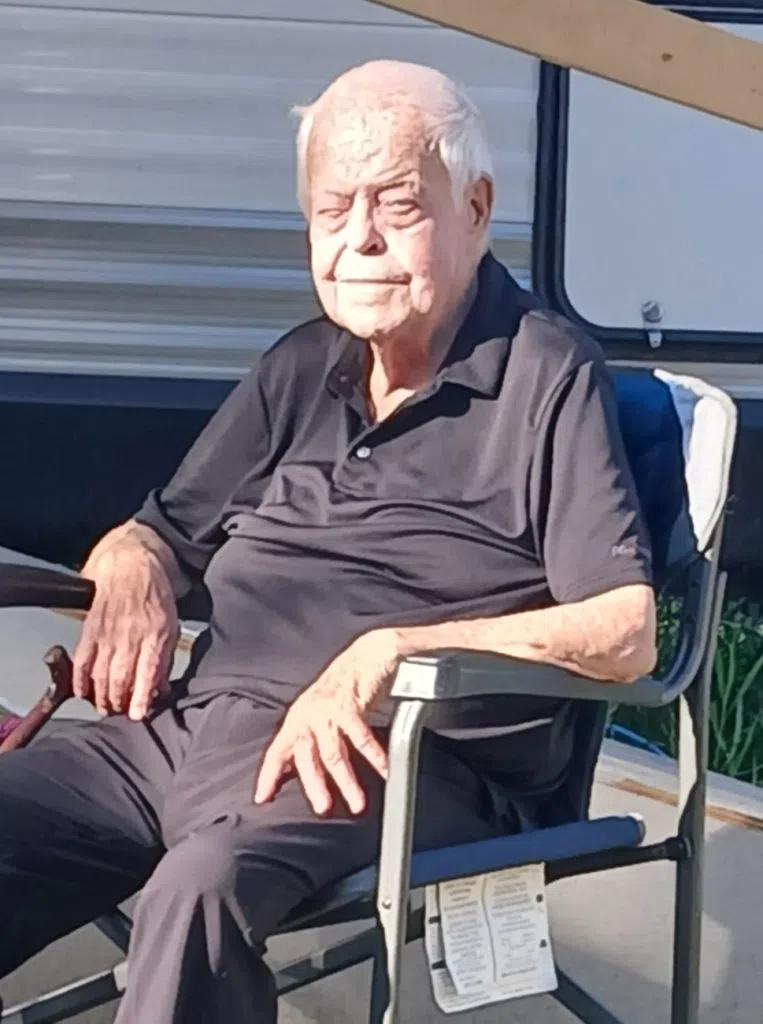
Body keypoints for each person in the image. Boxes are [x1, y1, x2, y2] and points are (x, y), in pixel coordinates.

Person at [0, 60, 657, 1023]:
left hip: (392, 758)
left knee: (203, 888)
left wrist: (390, 652)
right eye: (333, 209)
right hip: (189, 731)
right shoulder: (304, 363)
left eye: (398, 204)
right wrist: (132, 560)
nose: (360, 240)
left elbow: (625, 630)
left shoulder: (545, 377)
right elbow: (161, 531)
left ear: (476, 209)